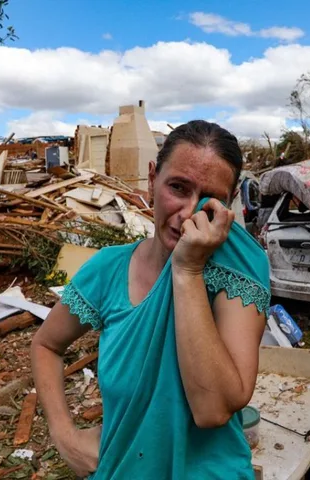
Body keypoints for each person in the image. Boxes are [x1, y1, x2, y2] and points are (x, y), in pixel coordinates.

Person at [31, 121, 269, 479]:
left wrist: (187, 270)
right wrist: (64, 435)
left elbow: (212, 409)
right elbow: (45, 344)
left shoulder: (237, 273)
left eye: (208, 199)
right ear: (151, 180)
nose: (188, 213)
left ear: (228, 205)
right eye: (177, 187)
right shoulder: (108, 270)